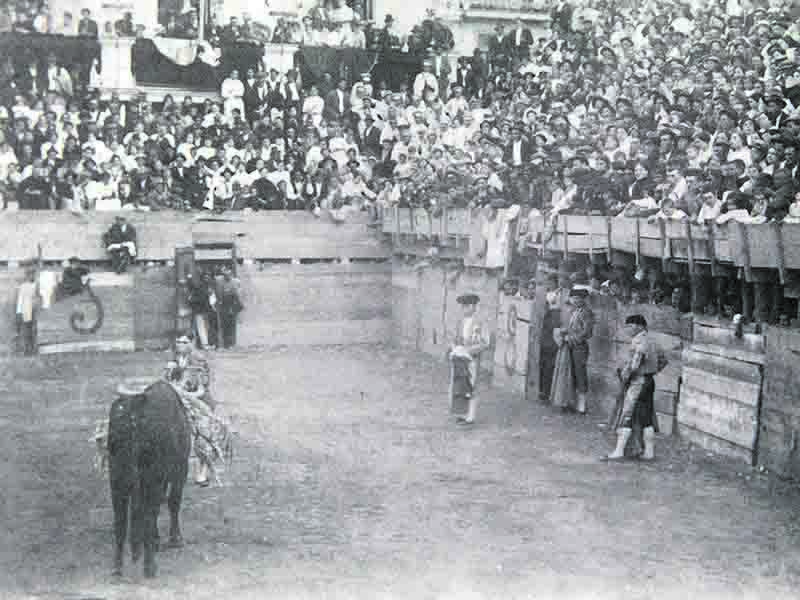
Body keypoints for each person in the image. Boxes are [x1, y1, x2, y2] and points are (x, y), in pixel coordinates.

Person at [164, 331, 229, 486]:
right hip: (178, 400)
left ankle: (202, 473)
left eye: (185, 342)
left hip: (198, 401)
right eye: (178, 342)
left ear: (192, 343)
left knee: (203, 439)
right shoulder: (174, 359)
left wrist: (183, 393)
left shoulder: (198, 360)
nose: (180, 345)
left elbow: (201, 387)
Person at [605, 315, 666, 461]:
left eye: (630, 326)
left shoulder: (639, 341)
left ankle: (619, 451)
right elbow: (663, 361)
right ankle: (649, 452)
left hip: (638, 382)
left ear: (640, 326)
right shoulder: (653, 340)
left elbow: (634, 364)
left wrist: (624, 375)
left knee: (627, 413)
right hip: (649, 381)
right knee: (646, 416)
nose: (628, 329)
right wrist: (651, 371)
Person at [549, 286, 594, 415]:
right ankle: (571, 402)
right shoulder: (573, 311)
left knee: (580, 373)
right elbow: (571, 327)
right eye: (573, 298)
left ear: (583, 299)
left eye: (578, 298)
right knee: (571, 374)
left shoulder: (586, 312)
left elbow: (587, 332)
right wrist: (564, 332)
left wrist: (571, 338)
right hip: (570, 345)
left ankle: (582, 406)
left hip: (579, 347)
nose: (575, 301)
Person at [448, 293, 490, 426]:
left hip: (472, 359)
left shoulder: (481, 322)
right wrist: (455, 348)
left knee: (471, 386)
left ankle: (470, 417)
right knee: (459, 385)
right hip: (460, 358)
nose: (463, 309)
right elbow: (454, 338)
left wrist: (468, 351)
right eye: (463, 306)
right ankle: (462, 413)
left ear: (473, 306)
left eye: (466, 306)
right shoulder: (460, 321)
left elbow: (485, 342)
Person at [216, 265, 242, 349]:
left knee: (231, 325)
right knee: (224, 325)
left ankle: (231, 343)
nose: (227, 275)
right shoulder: (219, 281)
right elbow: (219, 294)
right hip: (224, 305)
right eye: (225, 274)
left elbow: (237, 295)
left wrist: (238, 305)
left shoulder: (235, 282)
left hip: (231, 305)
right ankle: (226, 343)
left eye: (228, 274)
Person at [16, 264, 38, 356]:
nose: (32, 276)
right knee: (26, 331)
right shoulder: (23, 286)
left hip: (34, 310)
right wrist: (19, 312)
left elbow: (38, 297)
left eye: (34, 274)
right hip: (26, 310)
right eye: (31, 274)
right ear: (27, 275)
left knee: (34, 330)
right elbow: (20, 299)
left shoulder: (36, 285)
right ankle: (26, 349)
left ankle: (34, 349)